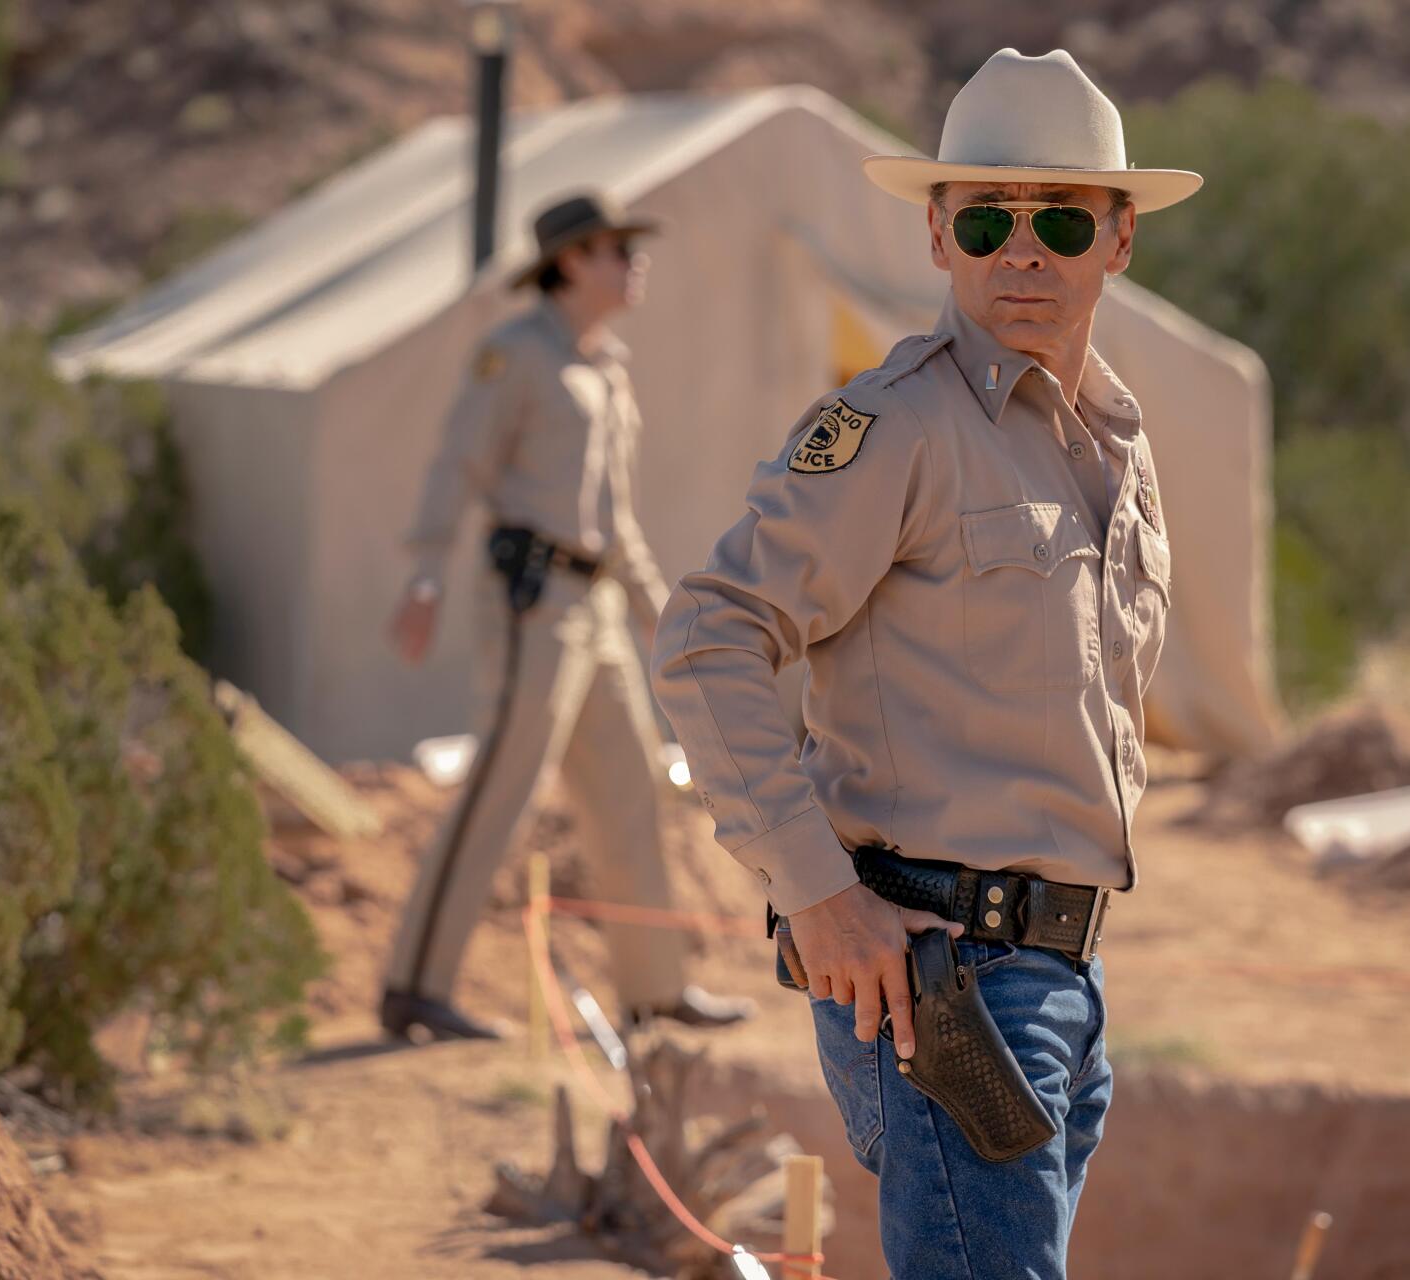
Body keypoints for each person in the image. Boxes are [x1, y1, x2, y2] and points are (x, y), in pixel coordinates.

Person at [651, 49, 1200, 1277]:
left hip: (1063, 977)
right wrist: (816, 892)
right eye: (988, 219)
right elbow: (708, 633)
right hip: (945, 981)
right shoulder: (895, 425)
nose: (1024, 251)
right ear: (937, 238)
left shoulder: (1115, 442)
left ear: (1119, 243)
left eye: (1060, 218)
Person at [380, 192, 753, 1043]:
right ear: (575, 261)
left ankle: (654, 992)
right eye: (621, 249)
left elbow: (616, 519)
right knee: (499, 793)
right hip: (531, 605)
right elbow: (458, 464)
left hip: (597, 611)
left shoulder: (606, 368)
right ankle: (413, 985)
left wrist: (661, 615)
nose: (637, 264)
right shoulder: (513, 357)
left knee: (629, 792)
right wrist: (426, 573)